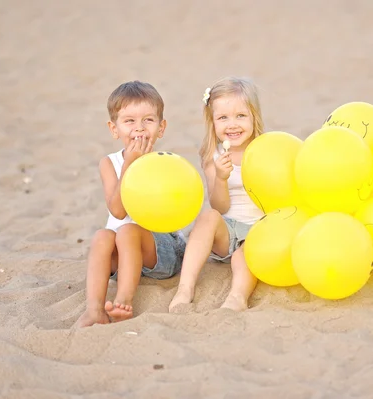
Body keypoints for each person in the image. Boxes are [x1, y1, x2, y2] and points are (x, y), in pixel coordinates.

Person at [75, 81, 186, 328]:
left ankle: (124, 299)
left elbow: (170, 212)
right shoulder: (109, 163)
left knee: (128, 231)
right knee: (103, 236)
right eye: (129, 121)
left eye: (148, 120)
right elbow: (117, 210)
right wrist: (128, 165)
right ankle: (94, 309)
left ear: (161, 127)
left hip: (159, 252)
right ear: (114, 129)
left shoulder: (165, 163)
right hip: (121, 258)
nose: (139, 129)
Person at [169, 77, 265, 313]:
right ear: (212, 122)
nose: (232, 124)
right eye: (223, 118)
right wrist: (221, 178)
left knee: (245, 253)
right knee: (209, 215)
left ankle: (237, 297)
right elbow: (220, 206)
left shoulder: (266, 149)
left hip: (260, 231)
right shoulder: (214, 155)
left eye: (240, 116)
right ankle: (185, 288)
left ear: (254, 117)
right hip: (228, 232)